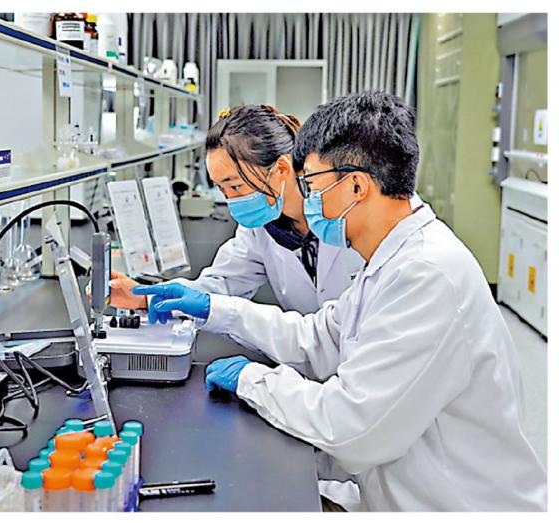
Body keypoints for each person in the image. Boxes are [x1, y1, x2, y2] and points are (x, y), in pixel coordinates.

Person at [134, 92, 547, 511]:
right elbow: (319, 336)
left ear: (356, 186)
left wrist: (253, 381)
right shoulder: (390, 260)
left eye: (312, 185)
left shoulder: (426, 274)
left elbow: (351, 427)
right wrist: (215, 308)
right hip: (395, 489)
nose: (307, 199)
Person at [110, 104, 365, 348]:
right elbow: (220, 287)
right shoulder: (262, 227)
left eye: (235, 186)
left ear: (281, 169)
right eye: (223, 189)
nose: (232, 200)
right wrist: (145, 297)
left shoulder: (348, 214)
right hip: (309, 359)